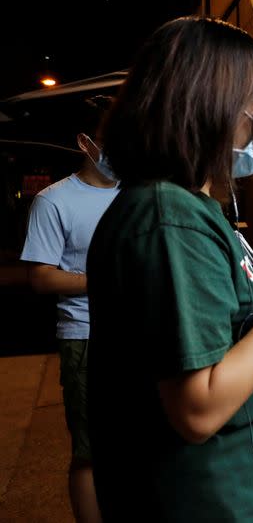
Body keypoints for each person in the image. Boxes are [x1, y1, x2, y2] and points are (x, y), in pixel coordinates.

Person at [85, 17, 253, 522]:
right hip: (196, 498)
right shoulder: (169, 216)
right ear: (212, 104)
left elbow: (207, 332)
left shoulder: (191, 207)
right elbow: (197, 408)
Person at [20, 117, 118, 523]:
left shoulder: (142, 193)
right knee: (90, 452)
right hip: (86, 336)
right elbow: (42, 277)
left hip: (144, 333)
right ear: (84, 142)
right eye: (111, 139)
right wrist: (110, 279)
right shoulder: (54, 201)